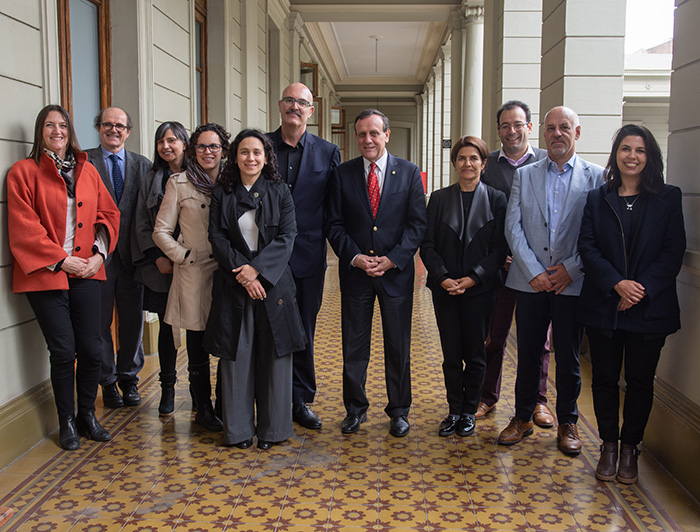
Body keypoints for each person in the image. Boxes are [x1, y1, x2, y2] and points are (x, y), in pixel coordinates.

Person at [7, 105, 120, 450]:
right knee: (63, 350)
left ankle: (87, 415)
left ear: (70, 131)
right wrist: (61, 260)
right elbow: (24, 226)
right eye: (49, 125)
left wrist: (98, 255)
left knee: (92, 347)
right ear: (40, 132)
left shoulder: (87, 171)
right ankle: (66, 421)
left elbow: (109, 214)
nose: (56, 131)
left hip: (87, 270)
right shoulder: (22, 172)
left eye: (62, 125)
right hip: (47, 275)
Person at [578, 124, 685, 483]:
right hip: (605, 305)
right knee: (605, 379)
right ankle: (608, 445)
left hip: (649, 309)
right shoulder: (598, 198)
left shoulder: (668, 198)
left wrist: (638, 290)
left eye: (639, 150)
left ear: (649, 157)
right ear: (616, 155)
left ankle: (630, 448)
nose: (632, 156)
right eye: (625, 149)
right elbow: (588, 248)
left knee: (640, 381)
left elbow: (673, 251)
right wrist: (617, 284)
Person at [497, 106, 604, 454]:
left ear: (577, 132)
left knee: (569, 357)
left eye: (564, 127)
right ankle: (523, 416)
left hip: (572, 282)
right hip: (530, 282)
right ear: (542, 133)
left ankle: (568, 422)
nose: (557, 133)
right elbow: (512, 227)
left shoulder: (596, 177)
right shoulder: (525, 176)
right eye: (550, 128)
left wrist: (571, 269)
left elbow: (597, 234)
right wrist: (535, 273)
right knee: (527, 352)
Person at [327, 109, 427, 438]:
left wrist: (394, 259)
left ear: (387, 135)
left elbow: (417, 225)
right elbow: (334, 224)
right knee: (354, 347)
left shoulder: (409, 173)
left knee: (398, 347)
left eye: (373, 133)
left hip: (395, 276)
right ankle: (355, 409)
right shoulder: (342, 174)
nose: (367, 140)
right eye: (361, 134)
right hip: (356, 274)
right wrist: (354, 257)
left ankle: (399, 410)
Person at [205, 129, 305, 450]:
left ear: (266, 157)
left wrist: (258, 271)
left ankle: (274, 430)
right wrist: (245, 275)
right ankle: (238, 431)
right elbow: (217, 238)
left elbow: (288, 236)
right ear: (234, 156)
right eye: (244, 152)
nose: (251, 158)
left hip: (273, 286)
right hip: (235, 286)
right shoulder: (223, 192)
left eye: (257, 152)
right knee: (237, 357)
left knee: (275, 357)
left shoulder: (280, 191)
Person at [420, 136, 508, 437]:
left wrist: (473, 278)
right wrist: (443, 276)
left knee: (475, 352)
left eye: (474, 158)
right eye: (462, 158)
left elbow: (499, 250)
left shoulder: (497, 199)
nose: (467, 164)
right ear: (454, 162)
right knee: (450, 353)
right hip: (445, 288)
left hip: (480, 289)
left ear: (484, 164)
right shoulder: (440, 199)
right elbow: (427, 245)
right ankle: (454, 409)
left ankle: (470, 410)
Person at [267, 82, 341, 431]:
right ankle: (270, 396)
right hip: (266, 259)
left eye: (303, 103)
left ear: (312, 111)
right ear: (280, 106)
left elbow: (334, 209)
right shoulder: (260, 147)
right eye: (290, 101)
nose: (296, 107)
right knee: (269, 328)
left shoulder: (328, 152)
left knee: (304, 330)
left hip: (310, 257)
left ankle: (300, 399)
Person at [478, 100, 554, 429]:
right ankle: (487, 396)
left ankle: (538, 401)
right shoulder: (487, 166)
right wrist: (499, 255)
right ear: (498, 131)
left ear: (529, 127)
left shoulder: (548, 163)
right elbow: (481, 217)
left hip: (537, 271)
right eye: (505, 125)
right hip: (500, 268)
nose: (512, 131)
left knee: (541, 341)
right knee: (494, 337)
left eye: (518, 124)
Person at [153, 123, 230, 432]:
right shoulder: (179, 183)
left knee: (228, 341)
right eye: (201, 146)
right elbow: (160, 231)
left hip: (229, 273)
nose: (207, 152)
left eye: (214, 147)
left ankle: (227, 404)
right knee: (197, 345)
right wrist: (182, 255)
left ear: (224, 151)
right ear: (192, 150)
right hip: (195, 272)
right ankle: (202, 407)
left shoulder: (234, 180)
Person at [86, 107, 151, 409]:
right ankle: (108, 381)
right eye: (107, 124)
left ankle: (129, 376)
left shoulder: (143, 165)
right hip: (96, 258)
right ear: (98, 128)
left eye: (120, 126)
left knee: (131, 320)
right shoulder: (84, 162)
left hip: (133, 258)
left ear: (128, 131)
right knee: (99, 323)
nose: (114, 130)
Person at [132, 121, 189, 415]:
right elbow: (142, 222)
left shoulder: (201, 175)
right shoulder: (150, 178)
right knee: (168, 329)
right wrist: (158, 256)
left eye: (172, 140)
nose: (166, 146)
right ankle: (168, 388)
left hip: (197, 267)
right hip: (163, 267)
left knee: (200, 329)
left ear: (184, 142)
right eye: (160, 142)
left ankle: (200, 391)